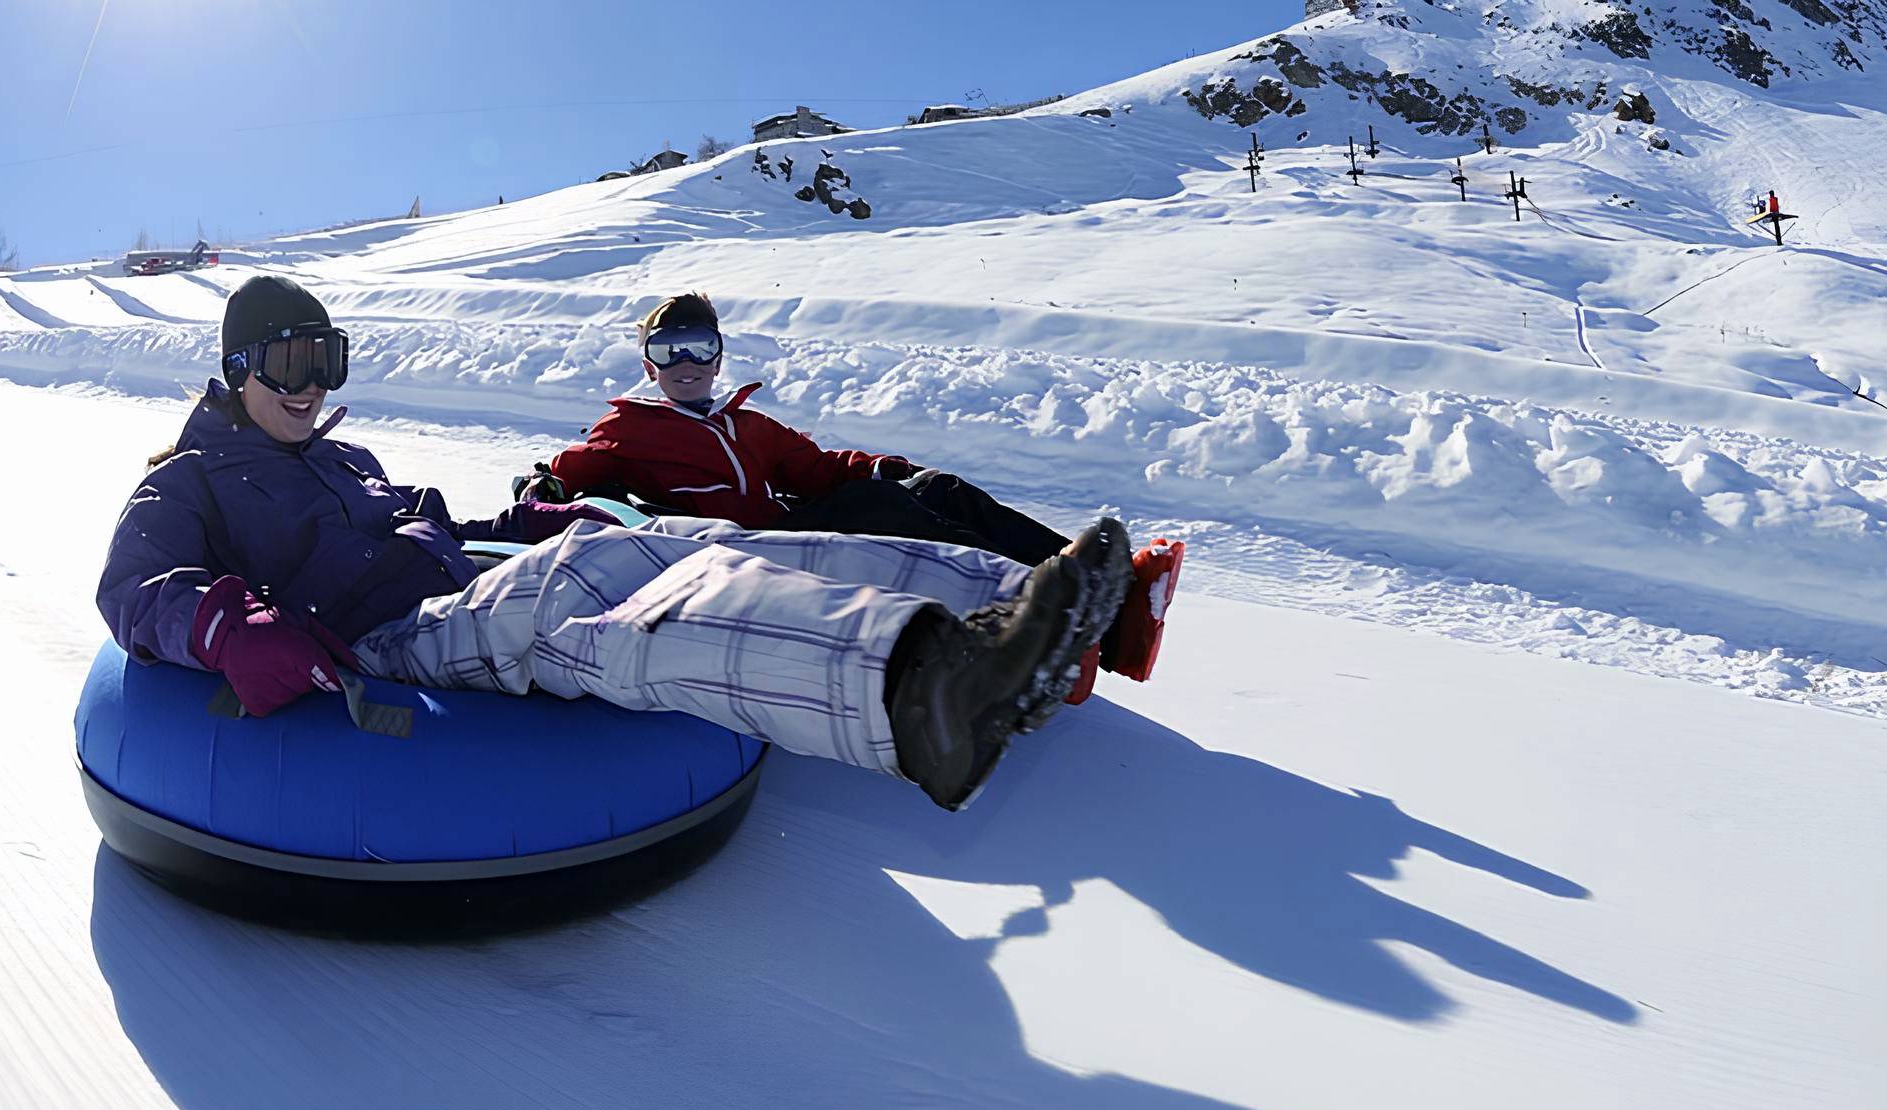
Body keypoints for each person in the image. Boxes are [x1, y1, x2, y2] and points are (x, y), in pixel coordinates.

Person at [98, 275, 1133, 811]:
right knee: (578, 594)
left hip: (441, 592)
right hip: (374, 643)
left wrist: (536, 518)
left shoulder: (345, 454)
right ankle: (922, 689)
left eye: (325, 357)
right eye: (287, 358)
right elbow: (135, 586)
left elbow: (438, 525)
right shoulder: (185, 479)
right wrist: (232, 619)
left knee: (683, 539)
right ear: (237, 365)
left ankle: (1016, 607)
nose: (310, 381)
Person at [519, 292, 1182, 692]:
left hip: (784, 527)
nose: (685, 365)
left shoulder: (747, 422)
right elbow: (566, 477)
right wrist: (540, 485)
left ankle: (1109, 592)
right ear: (648, 366)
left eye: (699, 349)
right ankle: (1038, 603)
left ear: (720, 357)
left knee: (932, 488)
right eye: (668, 352)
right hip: (734, 556)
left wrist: (884, 467)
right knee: (877, 509)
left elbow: (817, 469)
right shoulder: (628, 426)